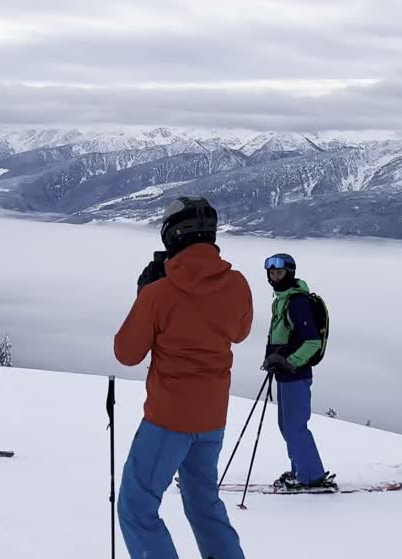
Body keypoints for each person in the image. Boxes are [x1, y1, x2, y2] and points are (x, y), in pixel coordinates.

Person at [114, 196, 253, 559]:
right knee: (204, 503)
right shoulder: (238, 284)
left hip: (169, 418)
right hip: (213, 419)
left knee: (136, 506)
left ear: (171, 236)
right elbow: (240, 332)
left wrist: (144, 296)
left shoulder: (160, 293)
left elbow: (127, 353)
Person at [261, 252, 335, 491]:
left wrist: (288, 361)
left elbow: (312, 342)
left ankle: (310, 476)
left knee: (294, 426)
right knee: (287, 425)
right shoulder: (282, 299)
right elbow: (281, 335)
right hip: (286, 373)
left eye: (279, 272)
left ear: (290, 273)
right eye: (271, 272)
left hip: (296, 374)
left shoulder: (297, 302)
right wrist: (273, 358)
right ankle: (301, 470)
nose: (274, 276)